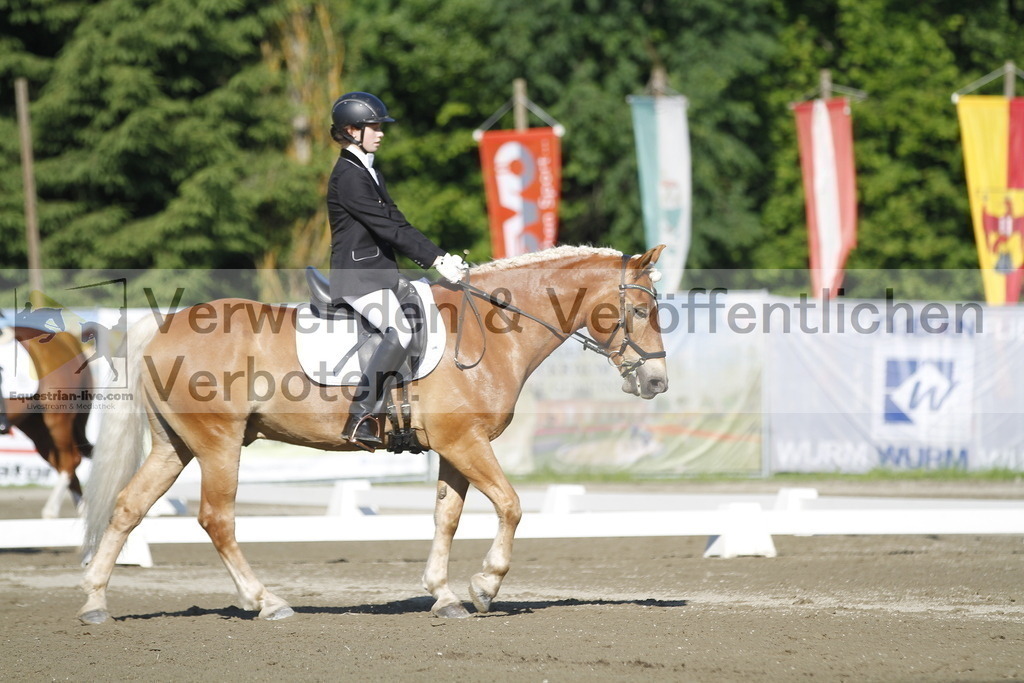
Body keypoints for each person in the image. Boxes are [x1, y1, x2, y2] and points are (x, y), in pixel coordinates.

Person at [327, 91, 467, 449]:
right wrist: (436, 260)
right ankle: (361, 416)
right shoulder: (349, 175)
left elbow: (397, 220)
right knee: (401, 331)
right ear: (351, 130)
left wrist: (440, 255)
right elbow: (387, 229)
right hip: (358, 278)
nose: (381, 132)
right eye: (374, 126)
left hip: (379, 274)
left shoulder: (368, 170)